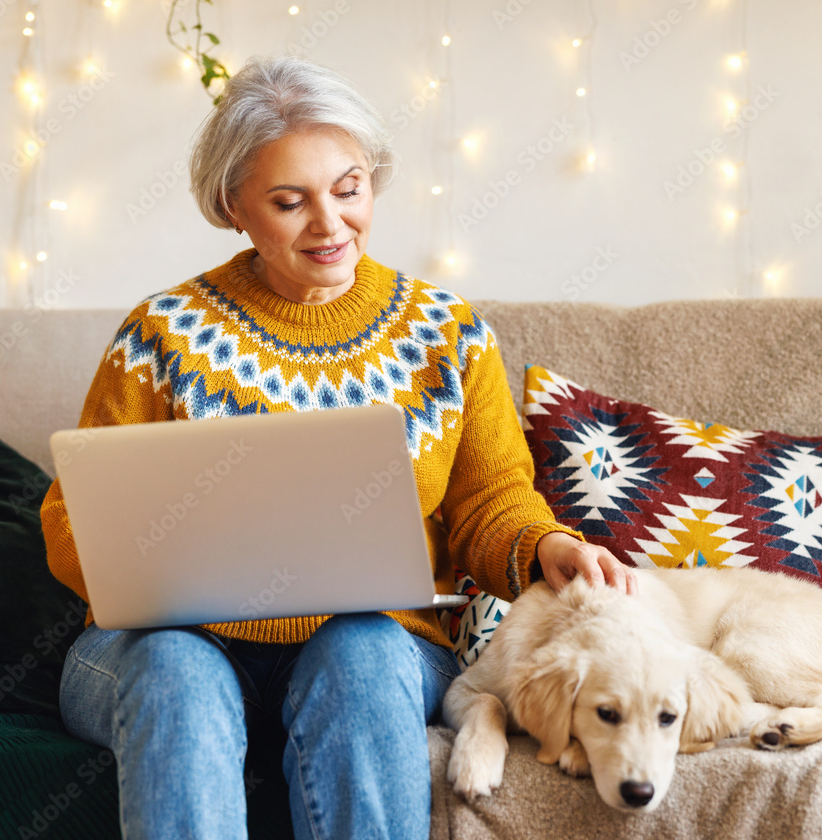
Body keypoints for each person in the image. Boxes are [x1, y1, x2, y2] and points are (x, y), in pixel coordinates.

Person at [41, 54, 637, 840]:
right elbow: (71, 516)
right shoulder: (162, 334)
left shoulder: (448, 335)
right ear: (232, 207)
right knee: (176, 667)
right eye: (290, 202)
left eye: (348, 190)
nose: (329, 225)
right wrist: (138, 561)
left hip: (373, 645)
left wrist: (546, 545)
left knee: (360, 651)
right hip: (155, 648)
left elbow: (491, 500)